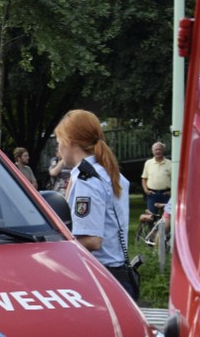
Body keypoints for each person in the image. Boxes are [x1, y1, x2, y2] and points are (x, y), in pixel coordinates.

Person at [56, 109, 136, 299]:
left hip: (100, 277)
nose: (58, 151)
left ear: (70, 142)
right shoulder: (107, 172)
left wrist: (53, 249)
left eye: (59, 143)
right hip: (115, 275)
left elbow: (92, 240)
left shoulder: (87, 180)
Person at [140, 141, 172, 216]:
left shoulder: (170, 163)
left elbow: (175, 180)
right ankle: (152, 228)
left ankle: (165, 228)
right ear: (152, 151)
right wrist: (146, 191)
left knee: (167, 216)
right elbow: (144, 178)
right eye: (156, 149)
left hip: (166, 194)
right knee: (151, 216)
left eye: (159, 149)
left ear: (163, 150)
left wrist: (172, 192)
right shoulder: (148, 163)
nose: (158, 151)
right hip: (152, 194)